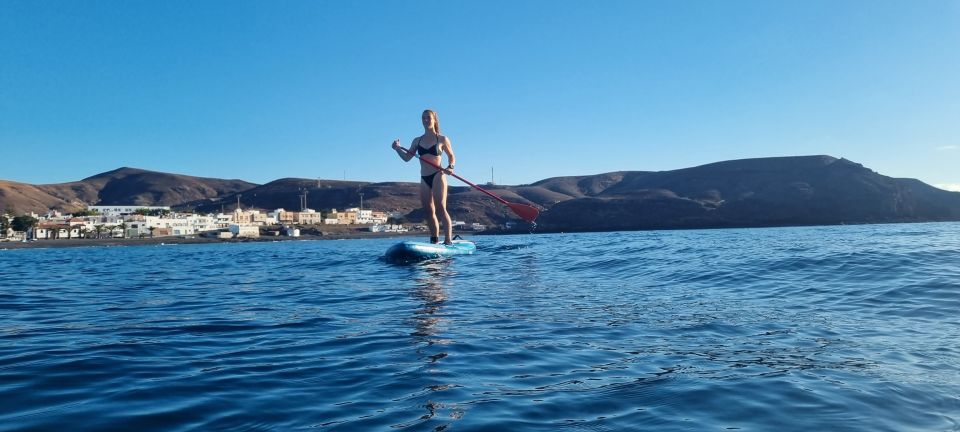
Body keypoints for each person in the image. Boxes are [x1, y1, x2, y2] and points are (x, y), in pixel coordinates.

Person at [392, 109, 456, 245]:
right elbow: (407, 158)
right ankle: (434, 241)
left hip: (438, 174)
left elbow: (452, 157)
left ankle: (448, 240)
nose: (425, 120)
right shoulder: (417, 140)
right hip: (424, 177)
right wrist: (397, 149)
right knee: (428, 210)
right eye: (423, 118)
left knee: (440, 207)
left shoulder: (442, 139)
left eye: (428, 118)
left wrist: (450, 167)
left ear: (434, 120)